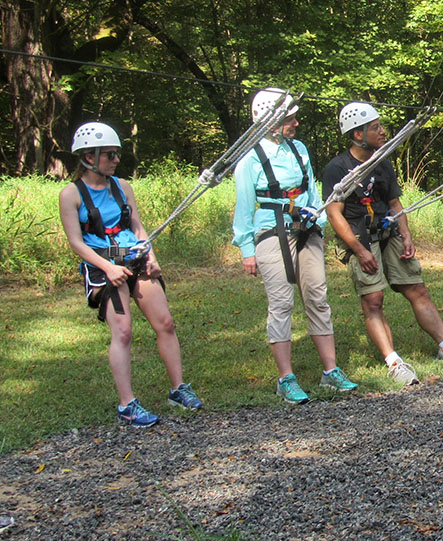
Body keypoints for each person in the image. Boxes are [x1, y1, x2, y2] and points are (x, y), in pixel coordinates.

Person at [59, 122, 204, 427]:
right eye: (109, 155)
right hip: (102, 265)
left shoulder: (123, 187)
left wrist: (151, 256)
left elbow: (136, 226)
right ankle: (127, 404)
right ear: (88, 157)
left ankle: (178, 389)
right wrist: (108, 268)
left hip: (135, 259)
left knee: (165, 322)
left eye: (117, 154)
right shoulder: (70, 194)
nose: (116, 160)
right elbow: (75, 241)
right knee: (123, 331)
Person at [322, 102, 443, 386]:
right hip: (360, 239)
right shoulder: (337, 168)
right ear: (358, 135)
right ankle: (394, 362)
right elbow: (334, 213)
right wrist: (359, 250)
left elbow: (394, 202)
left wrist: (406, 234)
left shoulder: (382, 162)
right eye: (375, 127)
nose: (382, 132)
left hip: (388, 233)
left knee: (417, 288)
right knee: (373, 300)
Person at [233, 87, 357, 404]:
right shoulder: (250, 159)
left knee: (317, 295)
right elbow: (244, 207)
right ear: (270, 120)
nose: (296, 123)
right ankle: (285, 378)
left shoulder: (298, 149)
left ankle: (330, 370)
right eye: (290, 118)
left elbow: (312, 192)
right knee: (282, 302)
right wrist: (247, 249)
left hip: (307, 230)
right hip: (271, 233)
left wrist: (319, 222)